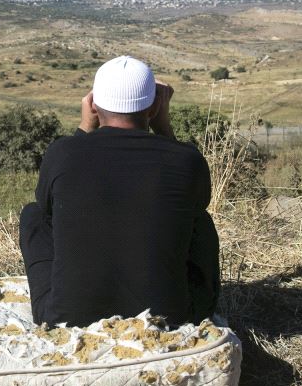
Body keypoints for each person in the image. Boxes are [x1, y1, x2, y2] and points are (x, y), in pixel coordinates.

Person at [19, 56, 219, 328]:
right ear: (155, 106)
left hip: (66, 319)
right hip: (170, 318)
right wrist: (163, 126)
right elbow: (193, 198)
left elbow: (48, 206)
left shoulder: (62, 153)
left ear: (93, 105)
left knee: (34, 214)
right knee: (199, 218)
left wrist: (84, 129)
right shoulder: (186, 160)